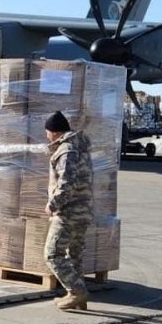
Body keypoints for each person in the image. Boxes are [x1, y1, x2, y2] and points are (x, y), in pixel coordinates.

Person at [43, 110, 93, 310]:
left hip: (69, 212)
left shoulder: (66, 150)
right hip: (83, 209)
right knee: (74, 254)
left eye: (47, 131)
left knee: (52, 253)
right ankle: (78, 299)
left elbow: (67, 181)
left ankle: (77, 292)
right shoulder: (79, 147)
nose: (46, 135)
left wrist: (53, 204)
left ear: (54, 132)